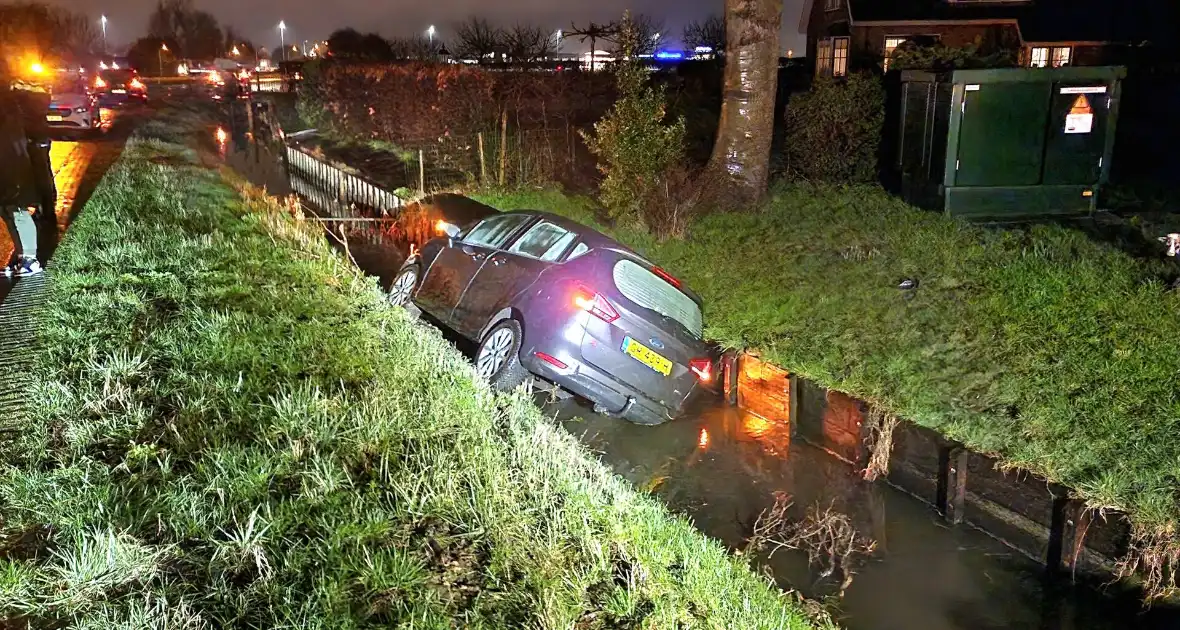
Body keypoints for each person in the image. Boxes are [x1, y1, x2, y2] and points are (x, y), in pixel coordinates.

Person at [0, 61, 42, 278]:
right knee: (7, 211)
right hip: (7, 161)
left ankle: (30, 259)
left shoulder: (7, 102)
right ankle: (21, 255)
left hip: (11, 162)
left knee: (17, 210)